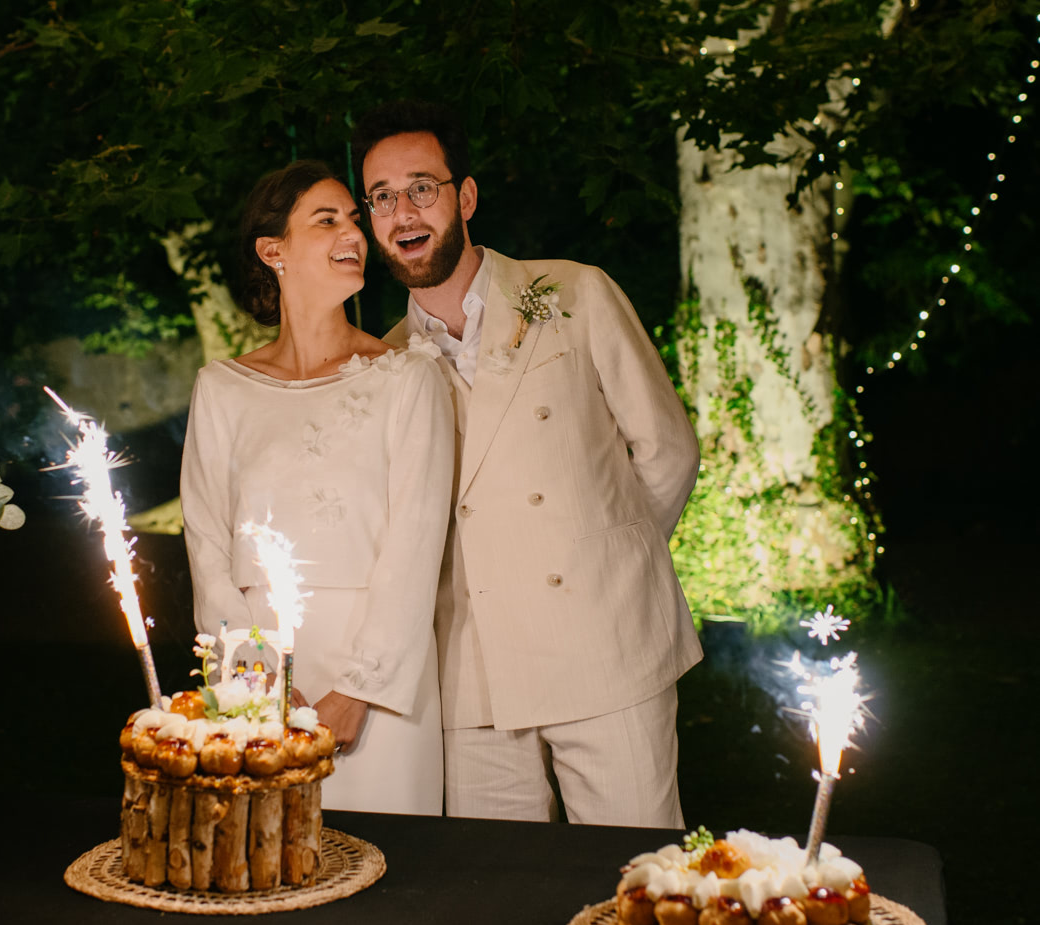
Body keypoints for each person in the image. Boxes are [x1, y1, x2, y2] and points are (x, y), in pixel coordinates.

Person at [351, 102, 703, 827]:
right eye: (382, 197)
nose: (402, 211)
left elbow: (667, 450)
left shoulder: (576, 294)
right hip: (471, 680)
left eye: (422, 187)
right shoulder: (382, 363)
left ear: (465, 197)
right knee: (504, 899)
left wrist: (608, 562)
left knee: (634, 881)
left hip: (607, 649)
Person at [179, 160, 454, 815]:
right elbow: (207, 547)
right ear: (273, 250)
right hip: (259, 676)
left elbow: (416, 545)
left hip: (382, 680)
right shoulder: (221, 390)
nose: (355, 233)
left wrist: (358, 691)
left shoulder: (408, 378)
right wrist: (258, 683)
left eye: (355, 219)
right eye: (327, 220)